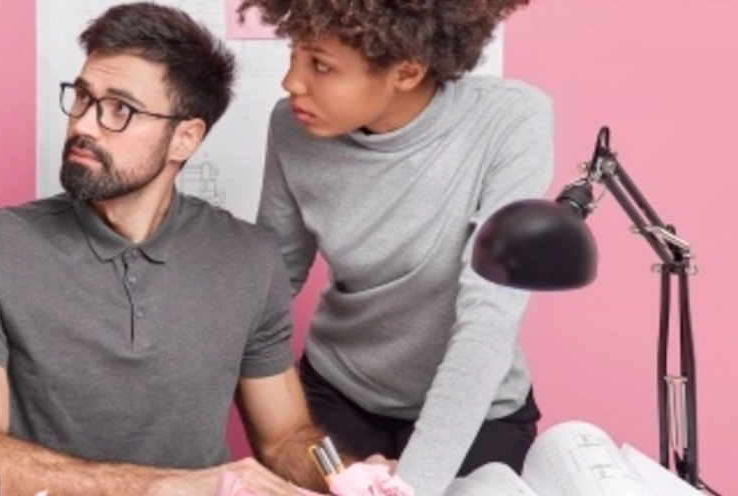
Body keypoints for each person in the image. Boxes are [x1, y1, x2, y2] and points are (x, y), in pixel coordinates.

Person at [0, 3, 334, 495]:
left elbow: (285, 437)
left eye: (120, 109)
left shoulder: (250, 259)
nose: (84, 125)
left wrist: (349, 475)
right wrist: (168, 488)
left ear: (185, 138)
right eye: (82, 97)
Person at [237, 0, 552, 494]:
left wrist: (411, 484)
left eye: (320, 65)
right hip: (334, 397)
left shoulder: (512, 121)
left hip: (476, 413)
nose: (292, 82)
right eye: (295, 56)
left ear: (406, 70)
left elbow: (488, 317)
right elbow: (272, 283)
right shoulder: (291, 128)